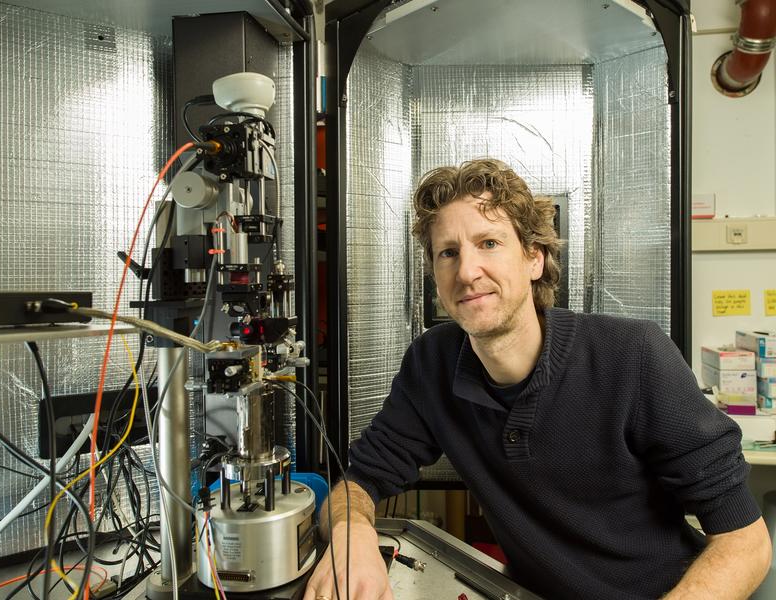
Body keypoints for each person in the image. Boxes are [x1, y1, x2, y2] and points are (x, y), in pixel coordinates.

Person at [304, 158, 772, 600]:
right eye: (448, 252)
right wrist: (352, 535)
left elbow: (746, 544)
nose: (467, 271)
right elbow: (359, 481)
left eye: (489, 243)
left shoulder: (633, 356)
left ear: (534, 259)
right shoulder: (432, 364)